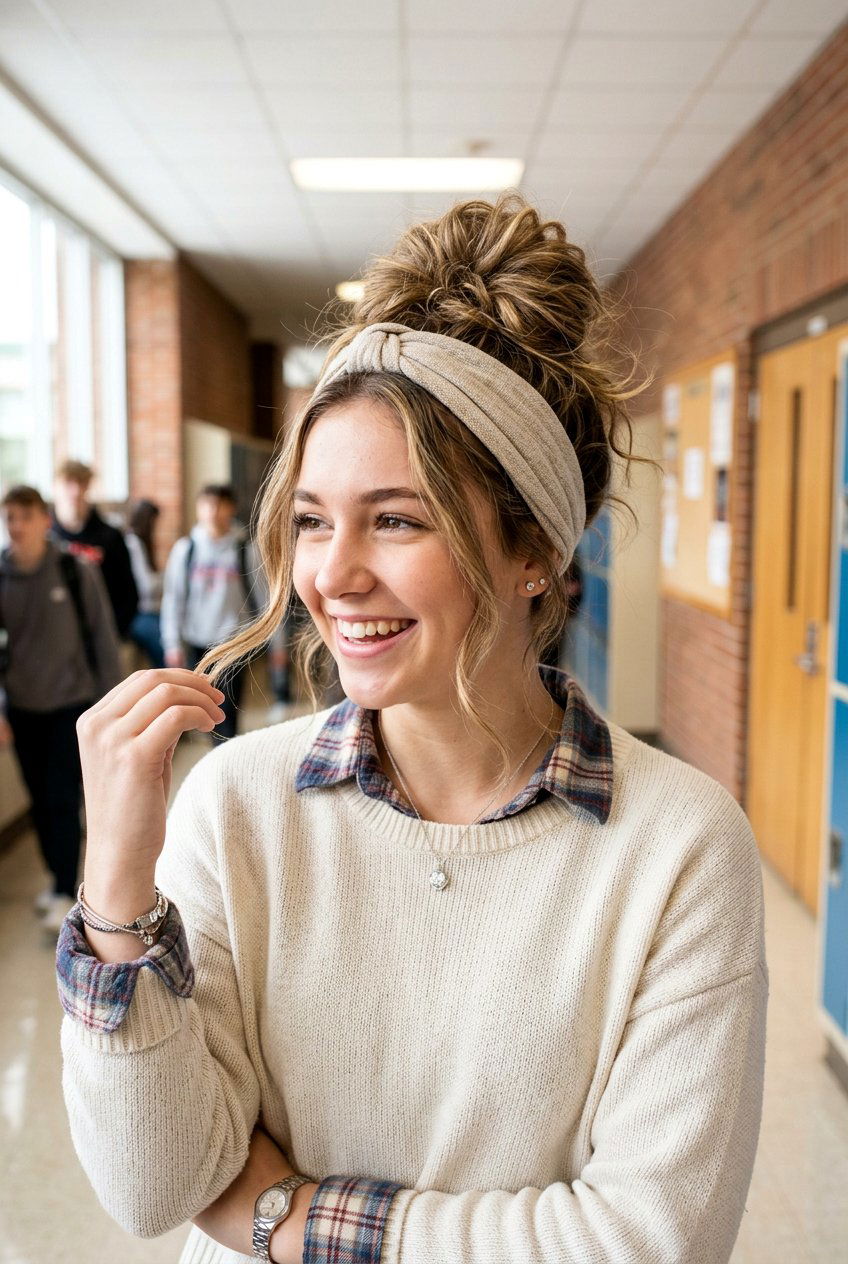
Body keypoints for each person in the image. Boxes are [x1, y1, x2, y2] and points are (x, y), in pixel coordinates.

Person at [56, 195, 767, 1264]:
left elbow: (643, 1242)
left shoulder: (678, 848)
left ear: (534, 551)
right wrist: (115, 898)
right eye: (309, 519)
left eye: (395, 517)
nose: (332, 575)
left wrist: (283, 1216)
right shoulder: (234, 804)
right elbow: (157, 1184)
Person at [0, 485, 122, 933]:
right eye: (9, 517)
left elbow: (104, 637)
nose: (16, 526)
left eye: (24, 517)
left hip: (70, 704)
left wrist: (112, 708)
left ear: (43, 520)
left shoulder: (73, 569)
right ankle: (58, 881)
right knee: (40, 802)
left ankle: (66, 889)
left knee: (61, 798)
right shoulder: (2, 574)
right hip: (23, 707)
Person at [160, 483, 286, 740]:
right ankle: (217, 757)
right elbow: (174, 599)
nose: (213, 511)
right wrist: (171, 643)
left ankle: (224, 757)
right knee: (204, 713)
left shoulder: (246, 550)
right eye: (206, 504)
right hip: (198, 641)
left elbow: (266, 600)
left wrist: (278, 644)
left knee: (227, 711)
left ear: (231, 508)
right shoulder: (186, 550)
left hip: (233, 641)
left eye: (219, 505)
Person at [51, 459, 138, 639]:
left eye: (81, 483)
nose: (75, 492)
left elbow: (129, 593)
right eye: (68, 483)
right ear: (55, 487)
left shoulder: (111, 537)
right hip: (55, 640)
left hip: (103, 636)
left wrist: (114, 633)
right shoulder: (45, 538)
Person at [125, 499, 164, 668]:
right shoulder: (133, 543)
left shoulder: (140, 543)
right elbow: (147, 586)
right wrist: (168, 577)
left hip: (151, 611)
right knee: (167, 652)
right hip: (140, 613)